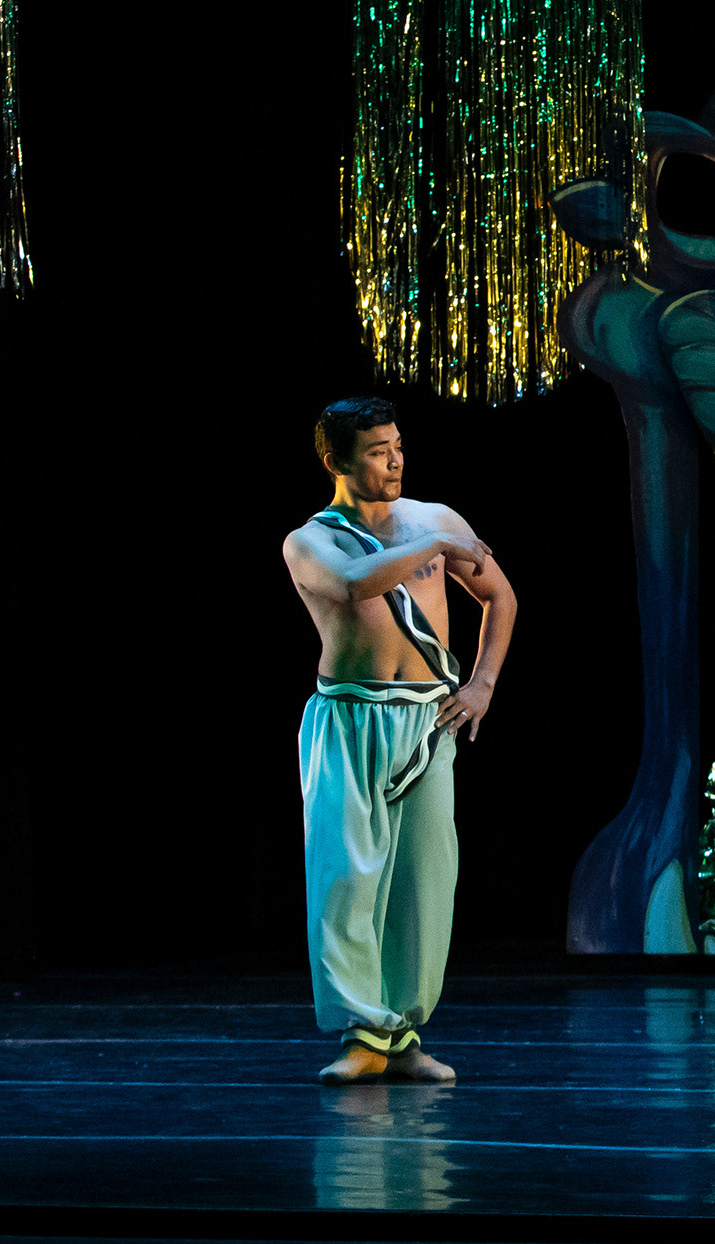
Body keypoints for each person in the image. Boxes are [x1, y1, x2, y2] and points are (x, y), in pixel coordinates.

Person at [286, 397, 517, 1084]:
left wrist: (482, 683)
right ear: (335, 460)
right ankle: (363, 1036)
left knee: (424, 883)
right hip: (349, 720)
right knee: (347, 879)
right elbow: (355, 583)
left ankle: (404, 1035)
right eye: (377, 450)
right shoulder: (310, 541)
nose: (395, 460)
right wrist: (436, 547)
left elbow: (500, 596)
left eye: (398, 445)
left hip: (425, 720)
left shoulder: (434, 519)